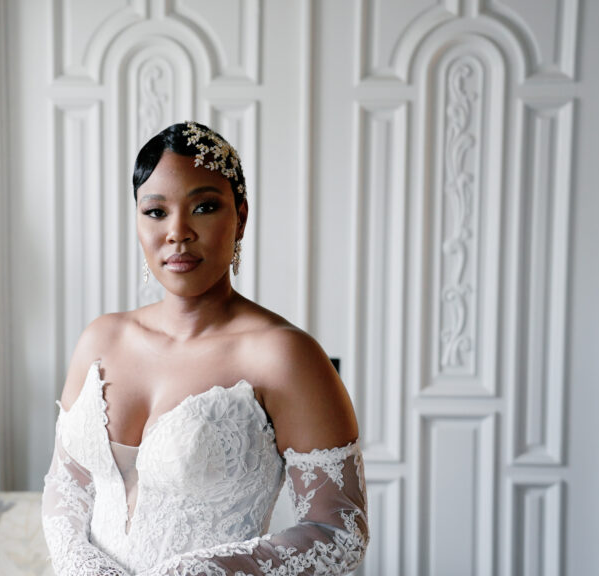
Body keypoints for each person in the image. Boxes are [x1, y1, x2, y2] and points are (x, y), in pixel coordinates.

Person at [41, 121, 368, 575]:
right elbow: (68, 485)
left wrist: (204, 571)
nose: (178, 232)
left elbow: (340, 530)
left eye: (205, 207)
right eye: (155, 212)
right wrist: (85, 565)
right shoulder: (101, 339)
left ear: (241, 216)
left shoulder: (284, 356)